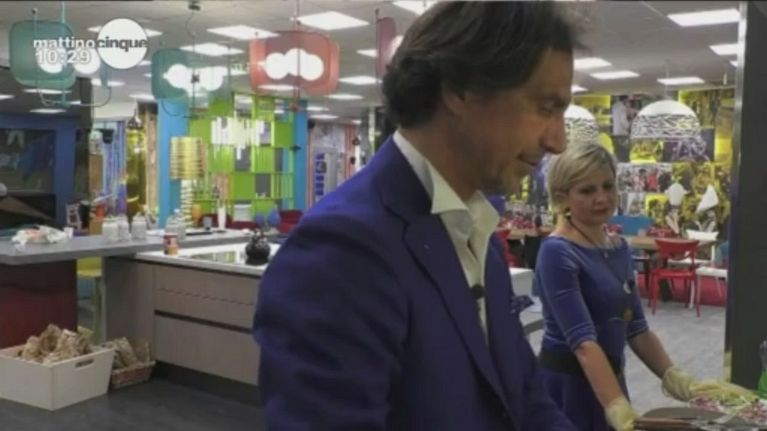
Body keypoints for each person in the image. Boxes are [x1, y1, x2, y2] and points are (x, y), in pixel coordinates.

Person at [253, 2, 581, 430]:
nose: (558, 142)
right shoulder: (342, 250)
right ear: (461, 88)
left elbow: (525, 398)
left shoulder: (478, 236)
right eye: (545, 107)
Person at [534, 143, 752, 431]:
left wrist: (678, 380)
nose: (602, 198)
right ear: (563, 197)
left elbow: (637, 328)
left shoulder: (618, 247)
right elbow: (583, 343)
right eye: (587, 191)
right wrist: (618, 408)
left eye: (608, 186)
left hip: (609, 381)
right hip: (569, 388)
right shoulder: (558, 252)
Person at [611, 95, 631, 162]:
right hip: (622, 133)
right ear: (625, 99)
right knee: (624, 152)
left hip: (615, 132)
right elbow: (623, 121)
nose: (628, 102)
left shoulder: (614, 106)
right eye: (627, 100)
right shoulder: (622, 108)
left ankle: (618, 164)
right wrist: (628, 127)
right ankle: (624, 164)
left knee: (617, 152)